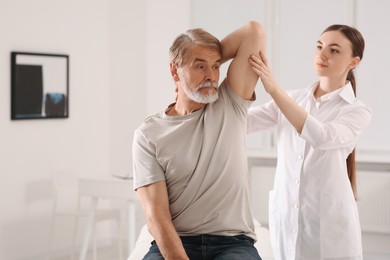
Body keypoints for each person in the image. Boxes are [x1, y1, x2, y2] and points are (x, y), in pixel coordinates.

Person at [132, 21, 265, 260]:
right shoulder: (148, 133)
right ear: (174, 71)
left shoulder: (230, 103)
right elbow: (156, 216)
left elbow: (253, 32)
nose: (211, 76)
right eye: (200, 67)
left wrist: (203, 56)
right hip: (177, 240)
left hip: (233, 243)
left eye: (215, 67)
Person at [247, 24, 372, 260]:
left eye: (334, 50)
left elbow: (322, 136)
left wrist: (274, 90)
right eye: (319, 46)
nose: (322, 54)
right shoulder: (293, 99)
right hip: (287, 216)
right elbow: (244, 122)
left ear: (353, 62)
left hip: (329, 227)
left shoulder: (358, 111)